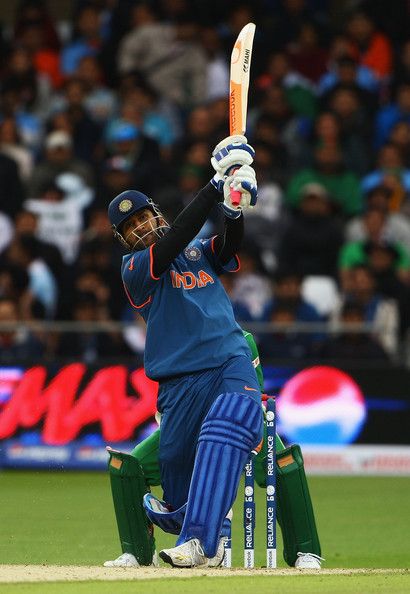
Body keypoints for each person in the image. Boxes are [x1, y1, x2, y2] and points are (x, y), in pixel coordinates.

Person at [106, 135, 322, 568]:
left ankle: (259, 547)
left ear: (157, 213)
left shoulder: (194, 251)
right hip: (178, 381)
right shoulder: (135, 269)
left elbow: (227, 246)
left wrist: (234, 207)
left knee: (232, 422)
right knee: (178, 479)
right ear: (122, 239)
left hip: (227, 359)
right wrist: (214, 183)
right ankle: (180, 538)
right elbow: (173, 241)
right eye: (131, 228)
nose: (141, 228)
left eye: (145, 217)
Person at [104, 330, 322, 570]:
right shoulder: (170, 339)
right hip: (187, 424)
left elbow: (253, 392)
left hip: (235, 421)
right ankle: (138, 554)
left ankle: (306, 551)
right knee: (127, 466)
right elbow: (167, 399)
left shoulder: (240, 338)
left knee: (283, 465)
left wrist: (252, 428)